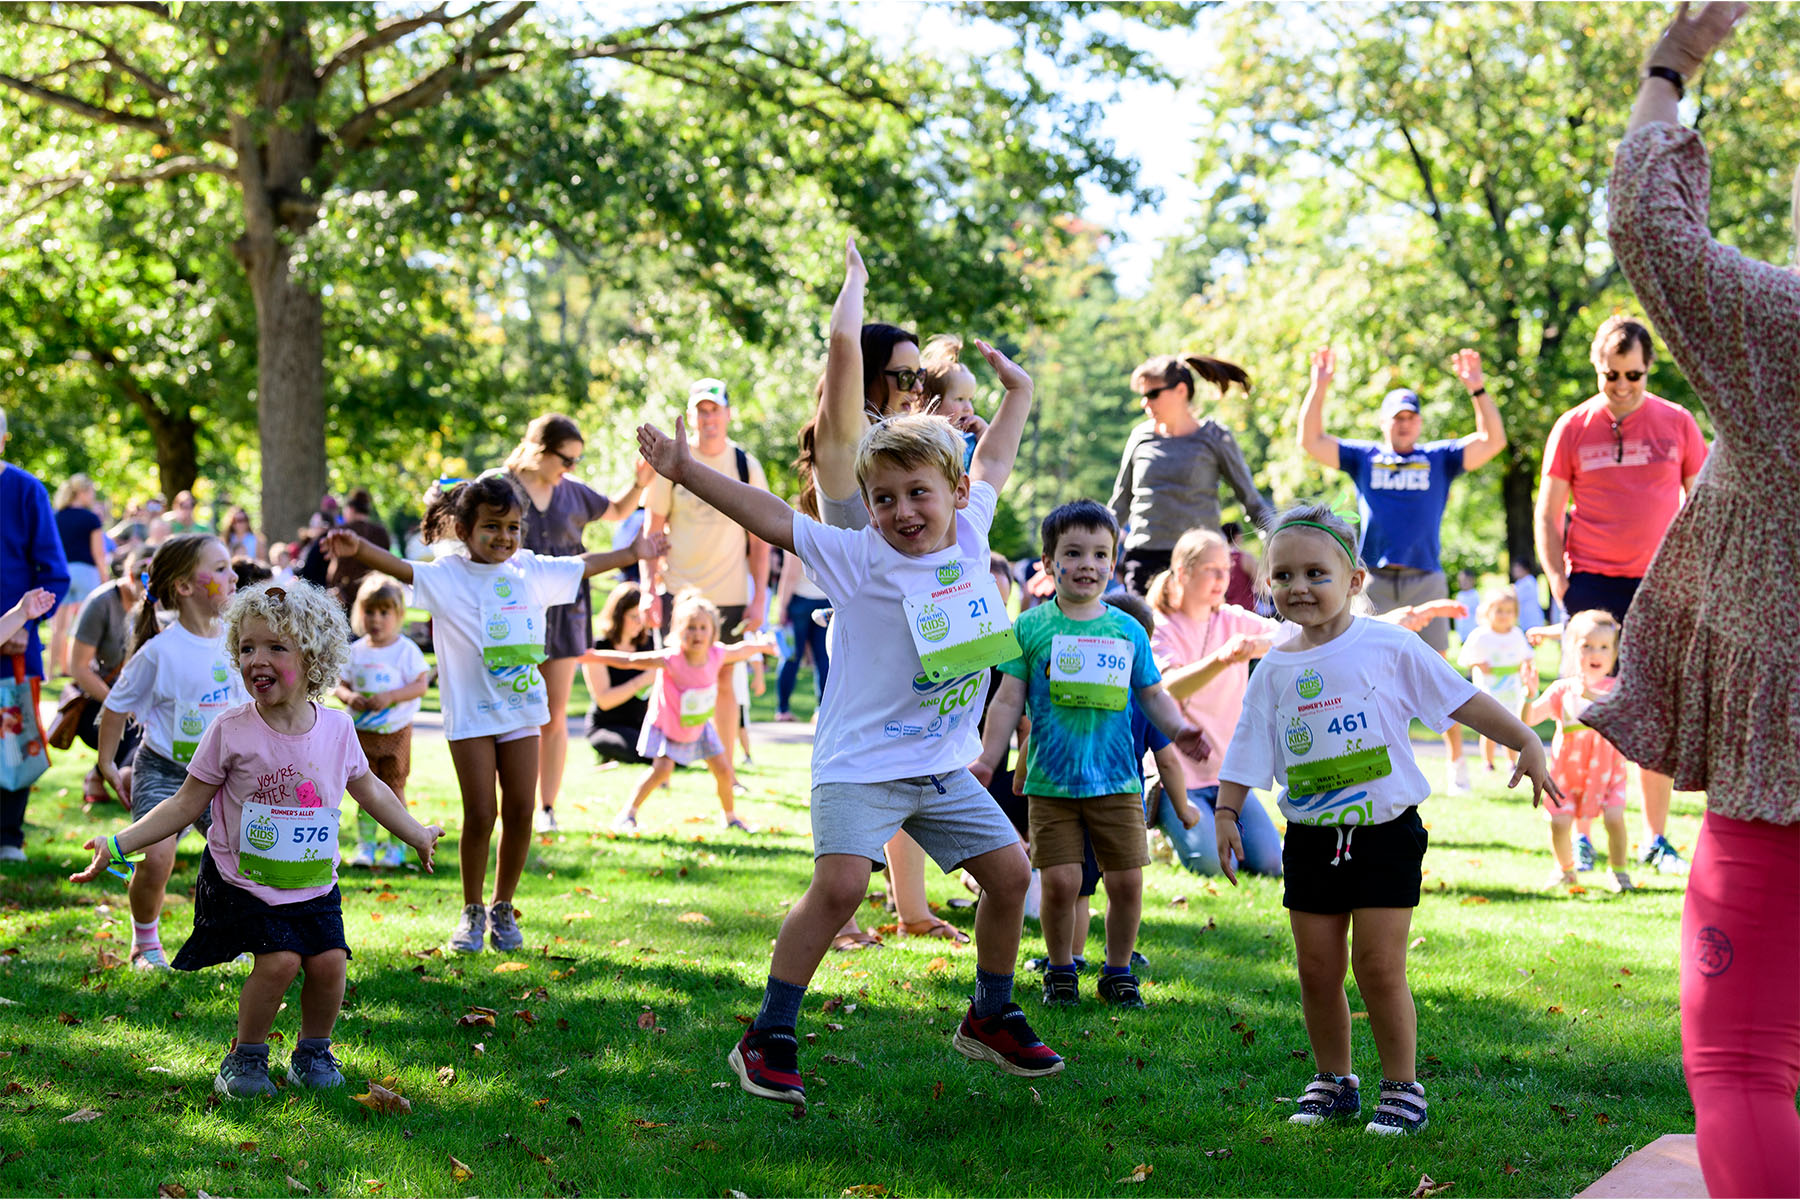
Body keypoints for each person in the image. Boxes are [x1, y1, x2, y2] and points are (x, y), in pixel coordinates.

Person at [639, 357, 1065, 1107]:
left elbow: (994, 452)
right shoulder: (856, 556)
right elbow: (768, 514)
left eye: (918, 494)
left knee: (1010, 875)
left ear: (956, 494)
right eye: (883, 498)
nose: (902, 511)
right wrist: (683, 469)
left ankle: (991, 1013)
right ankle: (768, 1034)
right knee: (839, 886)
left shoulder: (970, 532)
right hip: (860, 763)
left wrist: (1021, 394)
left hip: (936, 764)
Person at [1595, 7, 1797, 1191]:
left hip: (1782, 773)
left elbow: (1648, 225)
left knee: (1739, 1066)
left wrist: (1674, 67)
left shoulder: (1783, 328)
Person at [1215, 503, 1555, 1136]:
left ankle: (1402, 1088)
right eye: (1283, 576)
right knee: (1316, 968)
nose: (1299, 587)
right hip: (1311, 840)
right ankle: (1333, 1081)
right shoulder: (1276, 667)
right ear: (1267, 585)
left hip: (1386, 837)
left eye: (1317, 572)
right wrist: (1228, 808)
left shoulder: (1391, 646)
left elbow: (1463, 698)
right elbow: (1249, 743)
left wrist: (1526, 740)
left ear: (1355, 579)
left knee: (1377, 966)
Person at [70, 580, 444, 1099]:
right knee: (280, 961)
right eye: (246, 648)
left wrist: (417, 833)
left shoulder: (337, 730)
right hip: (244, 880)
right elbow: (183, 804)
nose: (255, 659)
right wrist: (118, 844)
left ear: (313, 657)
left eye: (274, 647)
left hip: (313, 880)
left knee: (330, 962)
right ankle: (244, 1060)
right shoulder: (230, 729)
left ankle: (313, 1052)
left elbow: (373, 792)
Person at [325, 474, 664, 954]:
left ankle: (503, 907)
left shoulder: (528, 570)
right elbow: (403, 570)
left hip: (521, 712)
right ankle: (471, 911)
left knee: (522, 810)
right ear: (464, 529)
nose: (504, 537)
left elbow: (582, 564)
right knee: (482, 813)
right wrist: (357, 546)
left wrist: (634, 553)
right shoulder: (447, 576)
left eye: (513, 527)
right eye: (492, 527)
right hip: (469, 717)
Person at [808, 236, 979, 946]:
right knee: (862, 770)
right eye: (903, 373)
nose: (917, 385)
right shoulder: (848, 444)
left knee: (922, 764)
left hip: (931, 622)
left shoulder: (911, 442)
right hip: (870, 623)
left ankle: (911, 909)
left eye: (919, 375)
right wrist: (856, 281)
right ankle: (840, 915)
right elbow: (842, 347)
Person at [977, 501, 1209, 1009]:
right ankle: (1061, 969)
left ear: (1113, 560)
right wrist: (988, 760)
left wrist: (1180, 729)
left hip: (1116, 781)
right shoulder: (1031, 628)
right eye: (1073, 553)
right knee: (1061, 882)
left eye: (1100, 554)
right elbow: (1008, 701)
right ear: (1047, 563)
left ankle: (1118, 972)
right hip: (1052, 783)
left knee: (1126, 881)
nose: (1088, 564)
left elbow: (1152, 694)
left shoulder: (1127, 631)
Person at [1534, 315, 1708, 876]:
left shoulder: (1677, 422)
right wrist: (1560, 583)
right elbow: (1548, 510)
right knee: (1586, 711)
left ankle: (1657, 839)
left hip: (1660, 588)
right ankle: (1580, 835)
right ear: (1597, 367)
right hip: (1589, 585)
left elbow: (1704, 502)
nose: (1622, 384)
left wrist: (1696, 578)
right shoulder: (1573, 425)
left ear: (1648, 368)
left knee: (1655, 715)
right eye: (1611, 374)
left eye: (1633, 373)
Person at [1297, 345, 1507, 795]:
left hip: (1425, 577)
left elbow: (1493, 441)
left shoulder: (1440, 458)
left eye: (1411, 416)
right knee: (1362, 671)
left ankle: (1457, 764)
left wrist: (1478, 389)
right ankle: (1371, 760)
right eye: (1397, 417)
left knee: (1438, 672)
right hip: (1372, 579)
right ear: (1384, 422)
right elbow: (1311, 441)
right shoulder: (1365, 458)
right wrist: (1319, 386)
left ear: (1419, 422)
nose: (1404, 423)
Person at [94, 534, 243, 966]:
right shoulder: (158, 653)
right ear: (183, 586)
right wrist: (106, 763)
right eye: (219, 569)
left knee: (238, 860)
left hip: (221, 775)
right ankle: (145, 941)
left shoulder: (239, 642)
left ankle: (232, 938)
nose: (232, 576)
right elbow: (116, 706)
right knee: (156, 857)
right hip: (164, 769)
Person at [506, 415, 652, 832]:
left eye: (577, 460)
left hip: (565, 613)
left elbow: (619, 510)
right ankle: (513, 807)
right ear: (538, 449)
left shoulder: (573, 493)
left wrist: (640, 483)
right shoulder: (500, 486)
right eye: (565, 459)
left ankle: (546, 808)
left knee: (553, 717)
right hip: (512, 614)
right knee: (515, 715)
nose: (571, 468)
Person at [641, 380, 770, 806]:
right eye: (701, 411)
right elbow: (652, 528)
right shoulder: (675, 460)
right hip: (678, 592)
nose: (708, 418)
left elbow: (761, 536)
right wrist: (646, 590)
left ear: (729, 414)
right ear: (691, 416)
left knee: (726, 682)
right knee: (672, 679)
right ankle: (665, 768)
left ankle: (727, 771)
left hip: (730, 593)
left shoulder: (744, 463)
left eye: (715, 410)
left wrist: (758, 598)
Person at [1144, 528, 1282, 877]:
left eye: (1226, 569)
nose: (1224, 578)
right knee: (1217, 867)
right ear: (1183, 572)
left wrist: (1254, 647)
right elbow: (1168, 686)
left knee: (1270, 864)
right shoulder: (1160, 626)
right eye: (1212, 569)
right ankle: (1161, 833)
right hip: (1176, 779)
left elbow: (1292, 635)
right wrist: (1224, 658)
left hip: (1227, 778)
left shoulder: (1233, 618)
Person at [587, 589, 776, 833]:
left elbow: (742, 649)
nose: (697, 634)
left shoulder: (717, 654)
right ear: (678, 631)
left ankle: (730, 817)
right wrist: (596, 656)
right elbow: (630, 661)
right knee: (661, 770)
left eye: (702, 628)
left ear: (712, 632)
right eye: (690, 627)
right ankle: (628, 813)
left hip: (700, 726)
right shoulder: (671, 658)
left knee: (723, 769)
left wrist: (762, 647)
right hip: (671, 725)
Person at [1110, 354, 1274, 596]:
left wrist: (1280, 540)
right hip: (1145, 560)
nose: (1145, 403)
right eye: (1143, 396)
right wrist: (1087, 549)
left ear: (1181, 391)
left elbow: (1251, 501)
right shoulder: (1139, 437)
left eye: (1153, 394)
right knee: (1143, 633)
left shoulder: (1215, 437)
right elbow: (1119, 505)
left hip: (1201, 560)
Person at [1518, 611, 1633, 893]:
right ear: (1572, 649)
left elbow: (1618, 713)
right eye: (1587, 645)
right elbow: (1529, 719)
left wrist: (1590, 695)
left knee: (1614, 818)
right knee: (1559, 823)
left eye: (1604, 647)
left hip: (1608, 774)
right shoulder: (1562, 690)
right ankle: (1565, 870)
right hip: (1566, 774)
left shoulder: (1619, 689)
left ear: (1615, 653)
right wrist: (1529, 693)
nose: (1596, 653)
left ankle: (1619, 871)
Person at [0, 408, 71, 861]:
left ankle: (8, 833)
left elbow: (54, 573)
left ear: (4, 439)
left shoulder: (25, 490)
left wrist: (25, 623)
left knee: (15, 729)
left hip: (17, 646)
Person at [335, 575, 430, 870]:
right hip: (362, 734)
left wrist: (391, 696)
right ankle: (366, 846)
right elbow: (340, 684)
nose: (377, 619)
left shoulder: (405, 651)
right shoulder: (357, 650)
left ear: (399, 615)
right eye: (370, 612)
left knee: (394, 788)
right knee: (366, 791)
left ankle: (396, 847)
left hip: (394, 733)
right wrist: (350, 697)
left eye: (384, 612)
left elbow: (420, 685)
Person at [68, 546, 151, 805]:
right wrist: (120, 703)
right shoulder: (102, 603)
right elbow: (78, 667)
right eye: (144, 577)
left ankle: (106, 776)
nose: (149, 585)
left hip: (139, 699)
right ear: (129, 573)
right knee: (132, 730)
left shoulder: (153, 606)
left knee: (152, 726)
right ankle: (126, 781)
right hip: (98, 700)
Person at [1456, 590, 1534, 774]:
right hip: (1488, 690)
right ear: (1487, 612)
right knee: (1489, 728)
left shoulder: (1516, 634)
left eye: (1509, 611)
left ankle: (1511, 762)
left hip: (1512, 690)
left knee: (1512, 726)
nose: (1504, 615)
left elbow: (1527, 657)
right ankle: (1488, 762)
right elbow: (1464, 659)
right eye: (1499, 610)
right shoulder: (1480, 635)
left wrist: (1525, 668)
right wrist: (1478, 664)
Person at [582, 583, 655, 767]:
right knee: (645, 753)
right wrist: (642, 680)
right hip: (608, 725)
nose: (640, 623)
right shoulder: (598, 648)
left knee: (671, 753)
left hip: (641, 724)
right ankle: (609, 755)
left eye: (642, 617)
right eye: (634, 617)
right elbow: (604, 701)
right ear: (618, 615)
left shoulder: (650, 645)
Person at [50, 474, 109, 678]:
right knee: (89, 624)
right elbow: (99, 554)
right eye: (91, 491)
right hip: (86, 572)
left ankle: (53, 671)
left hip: (62, 573)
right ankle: (86, 668)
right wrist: (105, 580)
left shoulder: (56, 517)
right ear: (82, 492)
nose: (92, 496)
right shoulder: (91, 518)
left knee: (59, 627)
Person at [918, 334, 989, 469]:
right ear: (930, 402)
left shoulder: (968, 439)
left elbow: (993, 457)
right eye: (960, 399)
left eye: (970, 400)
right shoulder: (924, 438)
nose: (968, 408)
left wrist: (983, 431)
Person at [325, 489, 390, 615]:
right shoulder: (381, 533)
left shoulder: (342, 532)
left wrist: (334, 587)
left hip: (345, 599)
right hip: (374, 594)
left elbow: (336, 568)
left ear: (350, 509)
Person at [1510, 560, 1549, 631]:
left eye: (1517, 567)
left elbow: (1514, 598)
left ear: (1525, 569)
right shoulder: (1520, 582)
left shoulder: (1528, 581)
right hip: (1525, 620)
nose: (1514, 570)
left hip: (1532, 620)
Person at [1450, 569, 1480, 644]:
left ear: (1472, 581)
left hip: (1472, 630)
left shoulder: (1475, 595)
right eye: (1461, 581)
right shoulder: (1459, 595)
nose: (1463, 583)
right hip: (1462, 631)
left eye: (1466, 581)